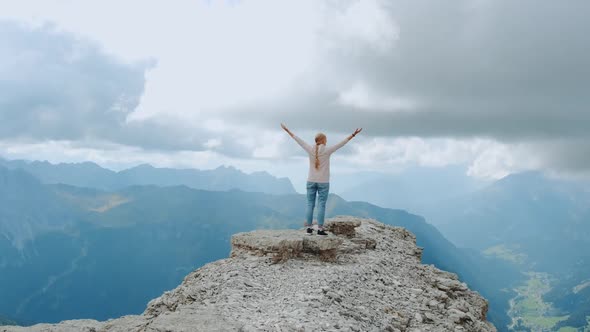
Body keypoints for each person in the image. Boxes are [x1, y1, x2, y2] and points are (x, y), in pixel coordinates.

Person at [281, 123, 362, 235]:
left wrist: (287, 130)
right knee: (321, 205)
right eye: (326, 139)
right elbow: (341, 144)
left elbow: (298, 140)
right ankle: (320, 229)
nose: (327, 141)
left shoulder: (310, 149)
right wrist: (353, 134)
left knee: (310, 204)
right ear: (323, 140)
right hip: (323, 182)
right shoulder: (327, 150)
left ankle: (309, 229)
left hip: (310, 180)